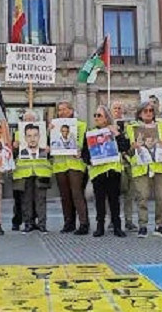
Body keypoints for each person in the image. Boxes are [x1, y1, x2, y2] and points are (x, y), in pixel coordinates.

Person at [82, 105, 129, 238]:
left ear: (106, 118)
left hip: (113, 170)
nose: (96, 118)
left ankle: (117, 226)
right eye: (95, 115)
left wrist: (117, 134)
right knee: (99, 200)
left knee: (114, 200)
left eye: (99, 115)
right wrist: (90, 160)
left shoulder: (114, 130)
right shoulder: (90, 133)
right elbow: (85, 153)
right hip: (97, 172)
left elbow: (124, 146)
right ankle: (100, 226)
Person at [127, 100, 162, 238]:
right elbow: (126, 150)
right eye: (145, 111)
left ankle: (159, 225)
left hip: (159, 166)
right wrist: (132, 148)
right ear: (139, 113)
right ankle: (143, 226)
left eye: (151, 110)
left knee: (161, 197)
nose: (148, 113)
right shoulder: (131, 128)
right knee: (142, 197)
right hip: (141, 167)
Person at [52, 100, 89, 235]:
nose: (61, 112)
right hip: (60, 165)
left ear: (71, 111)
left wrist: (82, 152)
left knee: (77, 194)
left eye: (64, 109)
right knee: (65, 195)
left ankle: (84, 223)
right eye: (59, 110)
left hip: (76, 164)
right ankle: (69, 222)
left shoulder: (81, 125)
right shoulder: (54, 126)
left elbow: (87, 145)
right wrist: (49, 132)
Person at [13, 113, 51, 234]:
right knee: (26, 200)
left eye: (31, 119)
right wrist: (14, 148)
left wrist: (49, 150)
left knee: (41, 200)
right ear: (25, 137)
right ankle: (28, 224)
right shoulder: (16, 135)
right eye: (26, 119)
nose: (32, 138)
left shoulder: (46, 136)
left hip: (41, 172)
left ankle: (42, 224)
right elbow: (11, 155)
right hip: (24, 173)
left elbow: (55, 153)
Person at [111, 101, 137, 231]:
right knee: (112, 194)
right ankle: (112, 220)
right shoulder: (107, 127)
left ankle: (129, 220)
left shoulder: (129, 126)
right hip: (114, 164)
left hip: (128, 163)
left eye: (119, 108)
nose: (117, 110)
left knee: (129, 194)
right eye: (115, 108)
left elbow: (132, 144)